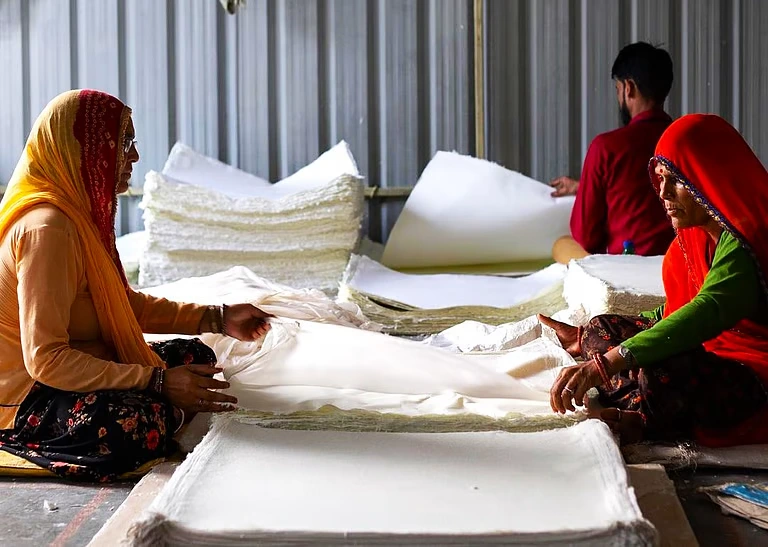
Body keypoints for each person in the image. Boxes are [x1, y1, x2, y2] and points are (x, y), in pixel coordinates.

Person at [0, 90, 272, 482]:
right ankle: (160, 413)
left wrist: (219, 317)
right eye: (122, 142)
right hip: (27, 395)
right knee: (130, 425)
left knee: (195, 355)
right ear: (82, 149)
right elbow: (46, 361)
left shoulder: (79, 218)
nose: (134, 156)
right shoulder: (48, 230)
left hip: (78, 370)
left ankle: (165, 409)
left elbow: (124, 306)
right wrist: (157, 381)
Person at [541, 114, 768, 447]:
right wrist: (603, 334)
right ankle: (641, 400)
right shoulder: (692, 241)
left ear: (708, 177)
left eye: (675, 180)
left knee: (661, 368)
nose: (662, 192)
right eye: (659, 178)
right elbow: (677, 311)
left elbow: (706, 311)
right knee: (602, 329)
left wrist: (604, 365)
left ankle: (643, 413)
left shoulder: (749, 240)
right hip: (708, 354)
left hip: (755, 376)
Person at [550, 42, 675, 259]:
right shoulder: (685, 143)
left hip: (628, 274)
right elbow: (646, 189)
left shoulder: (607, 148)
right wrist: (583, 187)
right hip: (682, 272)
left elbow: (587, 237)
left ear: (629, 88)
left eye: (618, 90)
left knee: (563, 245)